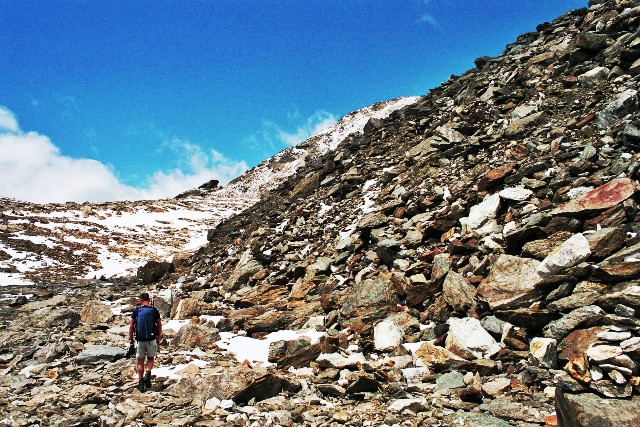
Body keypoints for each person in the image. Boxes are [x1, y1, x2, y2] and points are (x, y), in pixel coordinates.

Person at [129, 292, 162, 392]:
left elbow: (131, 326)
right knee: (151, 358)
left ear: (140, 300)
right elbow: (159, 325)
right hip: (151, 339)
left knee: (140, 361)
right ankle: (148, 372)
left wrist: (131, 340)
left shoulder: (137, 311)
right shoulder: (154, 311)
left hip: (140, 339)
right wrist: (158, 338)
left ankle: (141, 381)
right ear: (148, 300)